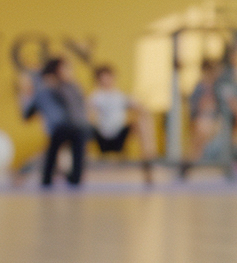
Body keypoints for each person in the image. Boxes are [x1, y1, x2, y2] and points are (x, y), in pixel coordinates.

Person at [20, 58, 90, 188]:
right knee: (58, 147)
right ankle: (51, 175)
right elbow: (28, 113)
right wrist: (27, 90)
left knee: (75, 137)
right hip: (60, 128)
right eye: (65, 68)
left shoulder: (69, 87)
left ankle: (66, 176)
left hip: (74, 127)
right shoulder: (45, 89)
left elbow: (77, 108)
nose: (69, 71)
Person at [87, 64, 156, 183]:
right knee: (82, 127)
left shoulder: (120, 96)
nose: (107, 81)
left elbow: (141, 109)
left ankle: (148, 163)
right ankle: (78, 169)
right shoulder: (95, 97)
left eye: (109, 77)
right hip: (102, 135)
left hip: (120, 134)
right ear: (98, 80)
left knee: (143, 123)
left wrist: (143, 113)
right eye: (103, 78)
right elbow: (89, 114)